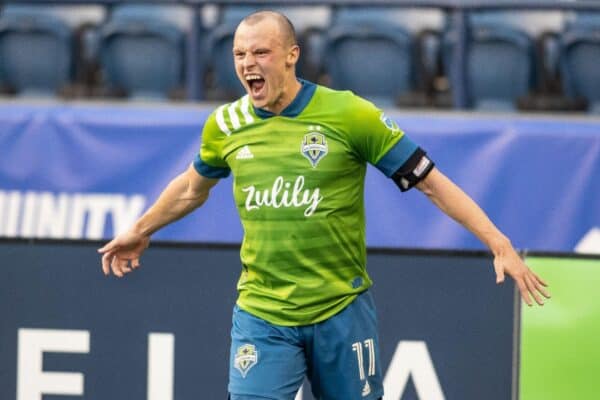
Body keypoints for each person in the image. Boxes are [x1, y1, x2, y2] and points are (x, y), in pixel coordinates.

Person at [98, 10, 550, 400]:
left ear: (292, 55)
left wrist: (498, 242)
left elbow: (431, 182)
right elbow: (190, 189)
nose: (248, 64)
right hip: (263, 310)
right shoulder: (227, 123)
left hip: (341, 308)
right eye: (239, 55)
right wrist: (142, 229)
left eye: (261, 53)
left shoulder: (350, 115)